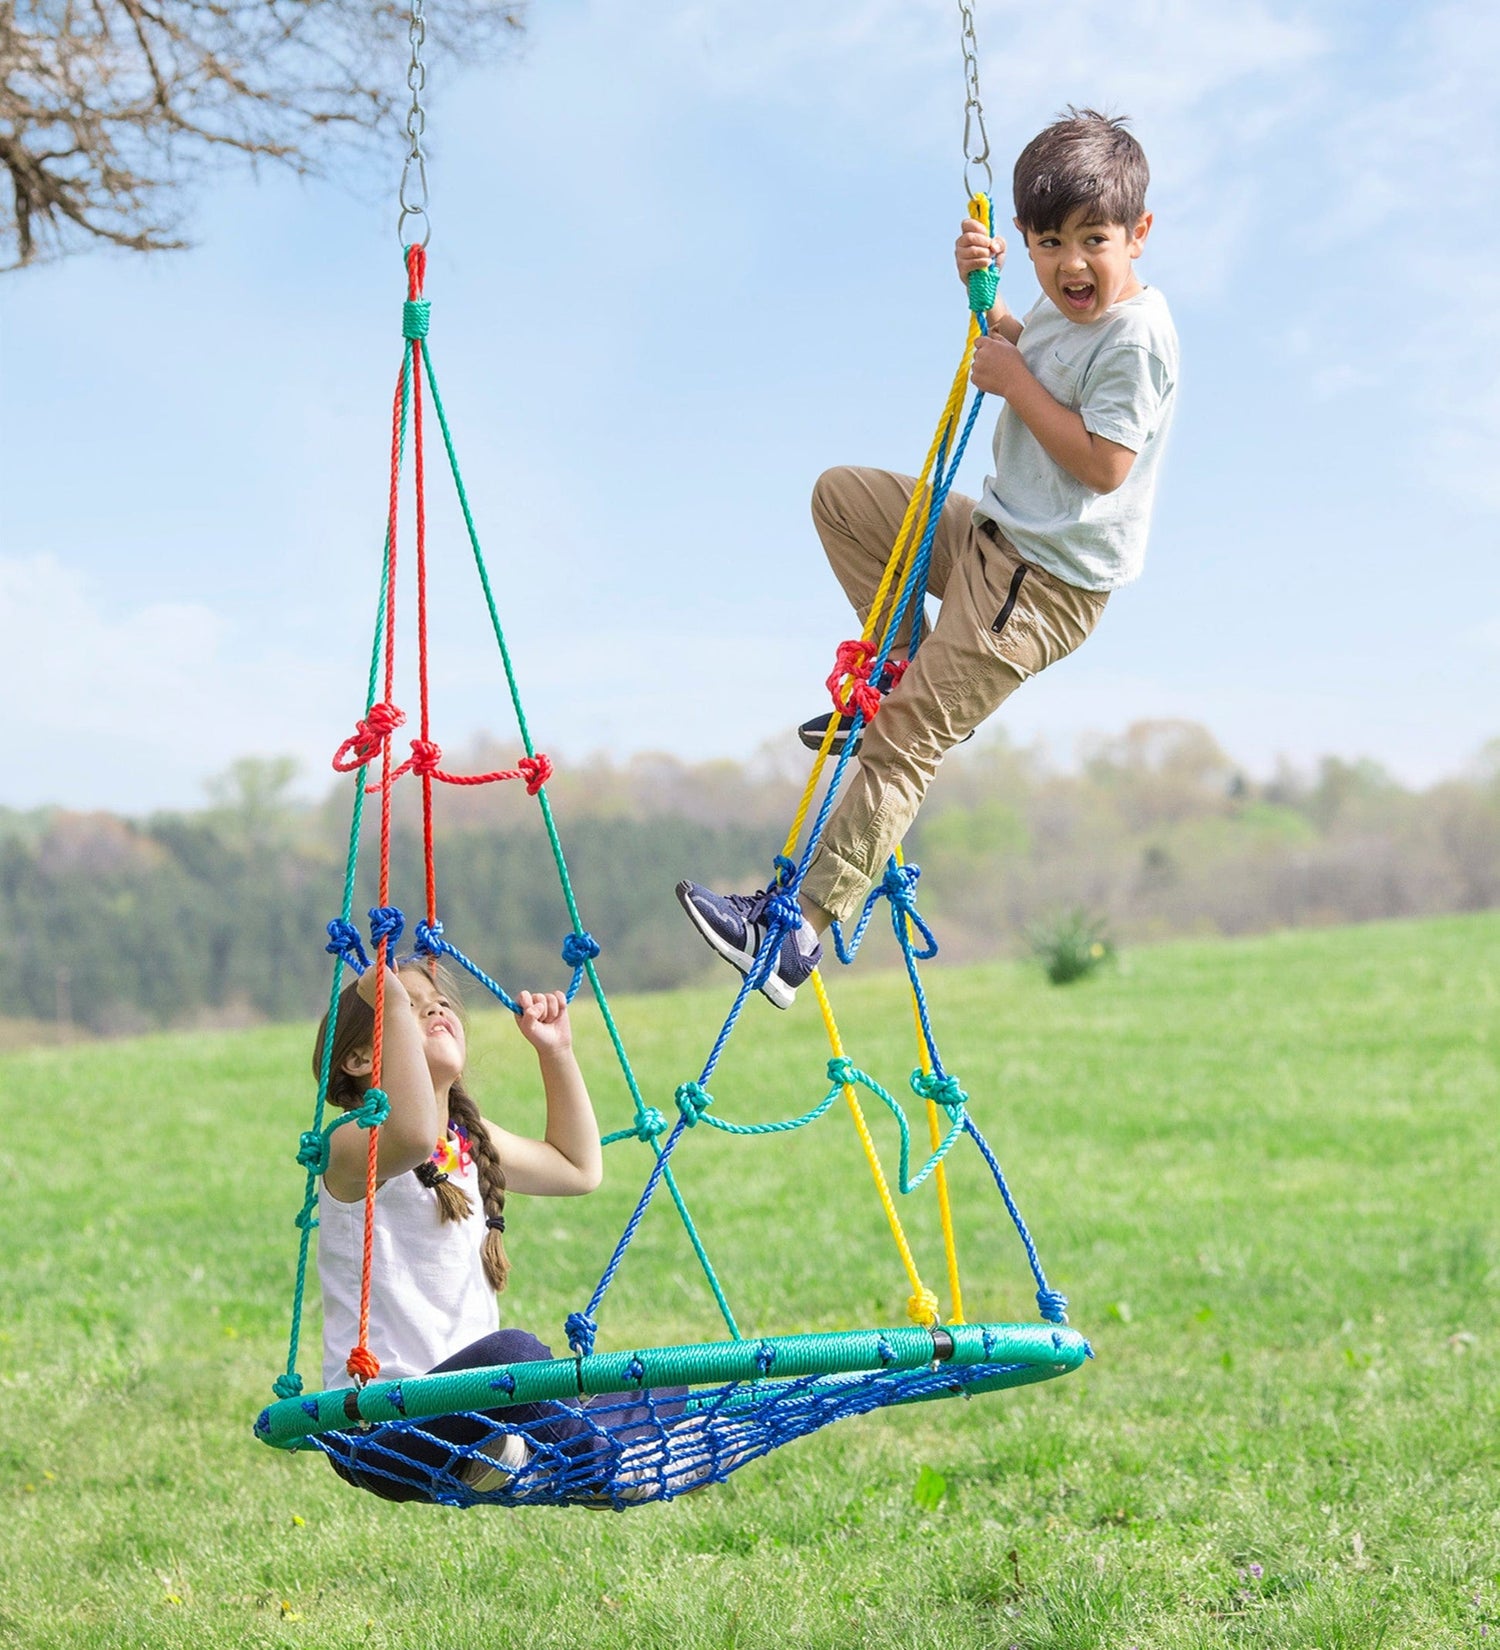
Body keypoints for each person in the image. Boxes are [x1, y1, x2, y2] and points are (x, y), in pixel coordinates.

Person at [677, 108, 1179, 1008]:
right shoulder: (1067, 310)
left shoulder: (1137, 336)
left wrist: (1015, 381)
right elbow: (1041, 361)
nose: (1072, 264)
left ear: (1138, 235)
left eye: (1094, 241)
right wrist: (992, 309)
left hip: (1043, 585)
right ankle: (900, 656)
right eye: (1049, 242)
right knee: (848, 499)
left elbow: (1106, 465)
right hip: (997, 536)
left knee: (906, 741)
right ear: (1026, 240)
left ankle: (796, 936)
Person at [312, 960, 681, 1503]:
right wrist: (386, 1003)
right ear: (362, 1058)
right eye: (410, 1006)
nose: (435, 1008)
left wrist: (555, 1053)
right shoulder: (349, 1146)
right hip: (382, 1432)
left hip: (473, 1406)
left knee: (656, 1380)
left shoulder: (467, 1141)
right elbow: (411, 1136)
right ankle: (604, 1468)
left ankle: (514, 1455)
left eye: (436, 1002)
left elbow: (578, 1169)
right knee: (514, 1354)